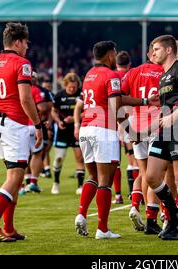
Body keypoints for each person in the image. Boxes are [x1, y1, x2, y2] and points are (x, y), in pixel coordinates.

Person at [0, 22, 42, 242]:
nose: (27, 47)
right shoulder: (22, 63)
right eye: (26, 42)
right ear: (17, 42)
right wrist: (38, 124)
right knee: (16, 177)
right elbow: (26, 99)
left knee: (13, 177)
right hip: (13, 124)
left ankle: (8, 228)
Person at [144, 35, 178, 240]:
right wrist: (146, 130)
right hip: (164, 129)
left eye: (156, 49)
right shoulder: (163, 75)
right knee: (151, 176)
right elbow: (169, 107)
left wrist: (174, 116)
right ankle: (173, 214)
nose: (153, 53)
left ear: (168, 50)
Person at [73, 41, 122, 239]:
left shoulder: (89, 75)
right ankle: (102, 228)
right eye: (115, 53)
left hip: (86, 128)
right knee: (105, 180)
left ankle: (81, 214)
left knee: (91, 176)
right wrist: (129, 127)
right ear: (110, 54)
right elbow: (115, 107)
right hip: (104, 130)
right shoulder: (111, 75)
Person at [120, 43, 164, 234]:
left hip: (136, 127)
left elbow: (119, 98)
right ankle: (152, 220)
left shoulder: (133, 72)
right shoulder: (165, 71)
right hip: (156, 126)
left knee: (144, 172)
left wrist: (127, 127)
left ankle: (135, 206)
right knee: (157, 176)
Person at [51, 72, 85, 195]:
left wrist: (75, 118)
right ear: (65, 84)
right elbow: (53, 111)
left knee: (80, 157)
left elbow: (87, 112)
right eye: (70, 87)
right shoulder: (59, 96)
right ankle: (56, 183)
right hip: (62, 131)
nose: (72, 89)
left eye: (74, 87)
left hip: (77, 130)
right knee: (59, 158)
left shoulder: (82, 94)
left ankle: (80, 186)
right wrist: (58, 121)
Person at [116, 50, 139, 202]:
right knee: (136, 158)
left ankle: (118, 195)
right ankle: (137, 194)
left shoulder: (111, 76)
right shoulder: (133, 75)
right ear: (129, 63)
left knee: (117, 160)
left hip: (112, 121)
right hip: (131, 117)